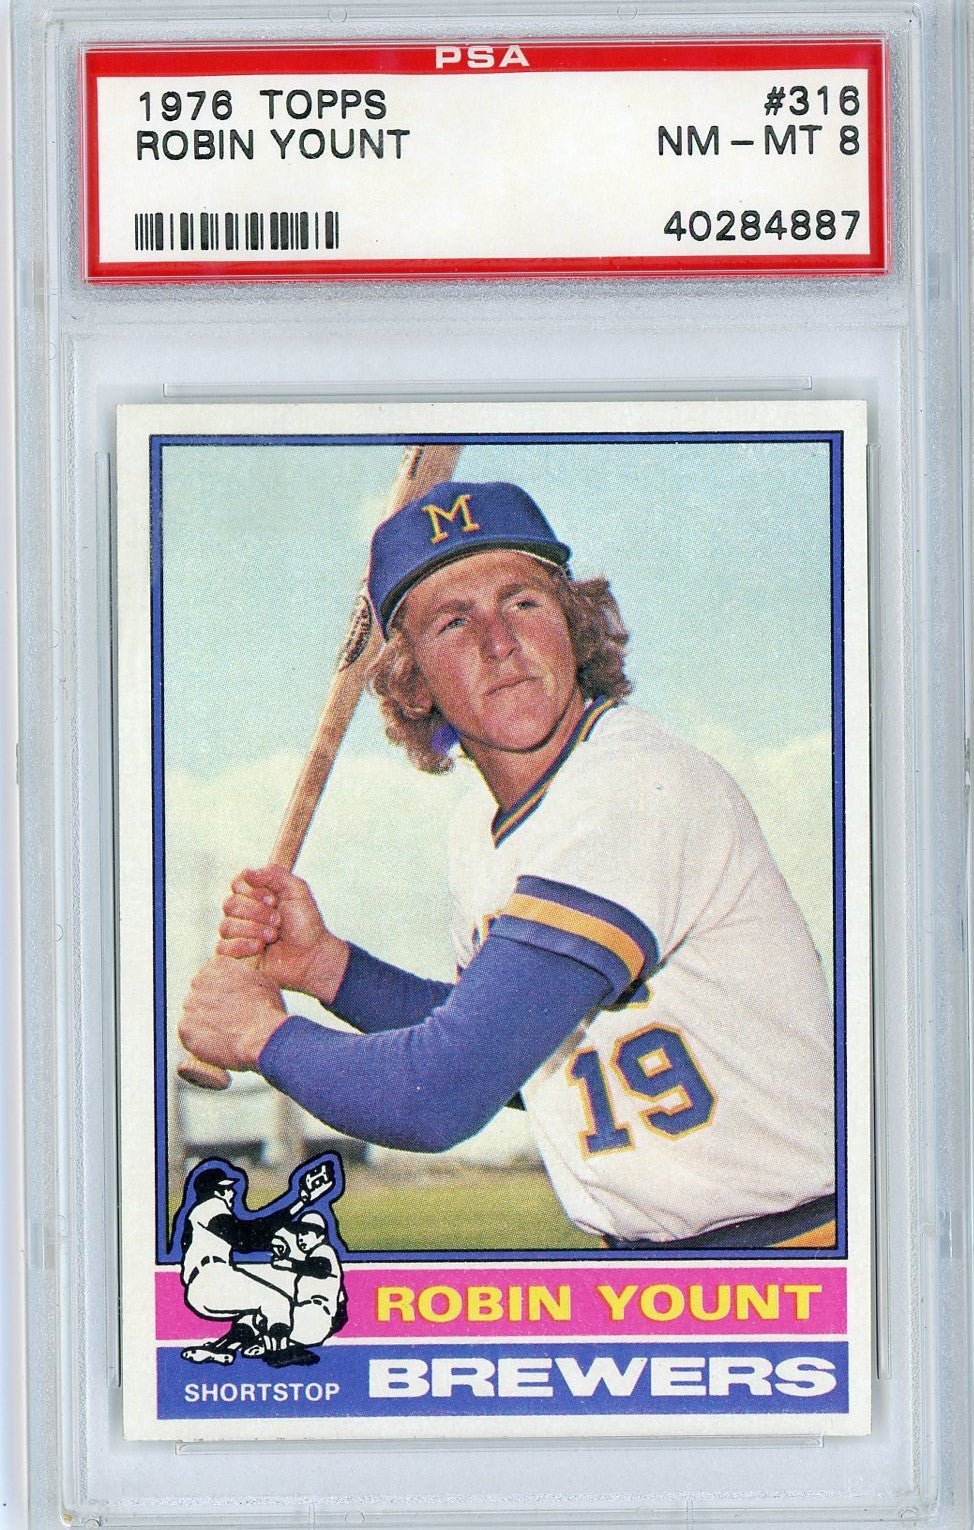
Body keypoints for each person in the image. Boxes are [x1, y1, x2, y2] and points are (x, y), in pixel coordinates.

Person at [179, 480, 836, 1249]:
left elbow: (441, 1093)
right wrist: (327, 968)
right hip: (657, 1271)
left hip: (797, 1248)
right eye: (454, 622)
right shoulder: (479, 833)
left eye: (522, 602)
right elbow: (515, 1061)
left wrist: (262, 1036)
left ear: (575, 626)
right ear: (413, 678)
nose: (499, 641)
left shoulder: (633, 786)